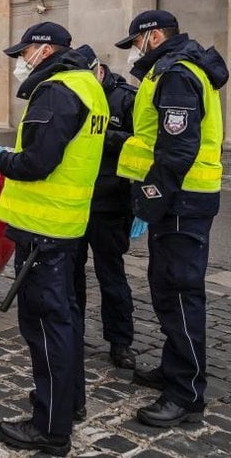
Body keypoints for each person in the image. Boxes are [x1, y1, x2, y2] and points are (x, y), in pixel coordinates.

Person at [0, 22, 109, 457]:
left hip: (44, 230)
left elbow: (36, 162)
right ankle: (67, 403)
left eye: (24, 53)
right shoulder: (87, 85)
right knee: (65, 320)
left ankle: (51, 427)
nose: (21, 62)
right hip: (65, 225)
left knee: (45, 327)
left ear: (42, 50)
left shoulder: (58, 89)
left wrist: (2, 158)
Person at [113, 10, 228, 428]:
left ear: (154, 36)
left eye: (135, 44)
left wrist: (150, 198)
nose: (132, 53)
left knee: (180, 295)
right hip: (180, 200)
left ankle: (186, 394)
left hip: (182, 200)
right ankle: (174, 369)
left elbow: (177, 147)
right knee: (167, 291)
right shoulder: (172, 70)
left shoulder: (177, 73)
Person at [70, 45, 139, 370]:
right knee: (71, 275)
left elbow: (141, 141)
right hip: (76, 200)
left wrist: (103, 136)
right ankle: (73, 333)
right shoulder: (75, 94)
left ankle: (120, 341)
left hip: (111, 202)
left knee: (111, 275)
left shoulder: (124, 97)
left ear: (98, 71)